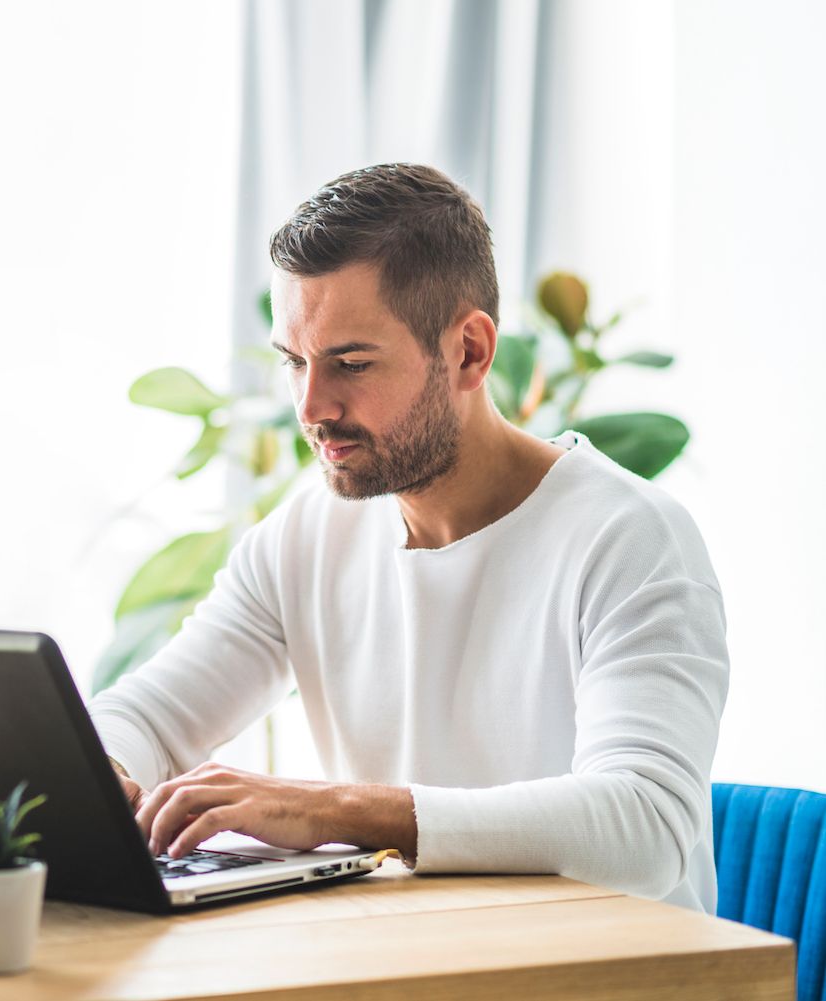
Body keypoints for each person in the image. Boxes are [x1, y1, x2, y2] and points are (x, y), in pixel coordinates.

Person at [88, 163, 728, 912]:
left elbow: (645, 829)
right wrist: (99, 771)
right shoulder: (304, 537)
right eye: (294, 362)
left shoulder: (631, 540)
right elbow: (147, 717)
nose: (311, 405)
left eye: (350, 363)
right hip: (414, 965)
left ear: (469, 352)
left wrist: (337, 810)